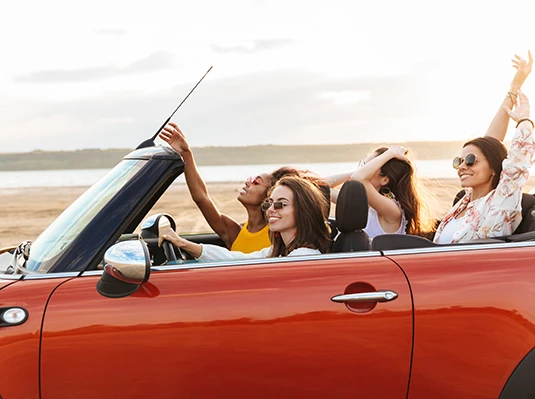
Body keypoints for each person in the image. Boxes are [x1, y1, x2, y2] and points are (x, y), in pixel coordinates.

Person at [433, 51, 534, 243]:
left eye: (470, 161)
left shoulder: (502, 200)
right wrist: (515, 87)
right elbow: (489, 143)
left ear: (494, 169)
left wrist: (524, 120)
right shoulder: (464, 201)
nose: (462, 166)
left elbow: (517, 159)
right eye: (459, 161)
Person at [159, 123, 300, 253]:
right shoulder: (235, 232)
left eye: (256, 182)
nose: (247, 182)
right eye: (250, 179)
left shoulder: (278, 231)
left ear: (269, 196)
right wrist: (186, 154)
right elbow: (201, 198)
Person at [158, 176, 332, 260]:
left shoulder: (302, 257)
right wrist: (183, 243)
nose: (271, 209)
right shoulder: (277, 252)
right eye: (269, 203)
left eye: (281, 204)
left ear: (303, 211)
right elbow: (235, 259)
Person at [324, 146, 429, 237]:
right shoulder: (363, 204)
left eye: (367, 166)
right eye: (363, 165)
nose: (362, 169)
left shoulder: (392, 210)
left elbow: (358, 178)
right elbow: (323, 187)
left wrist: (391, 153)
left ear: (384, 180)